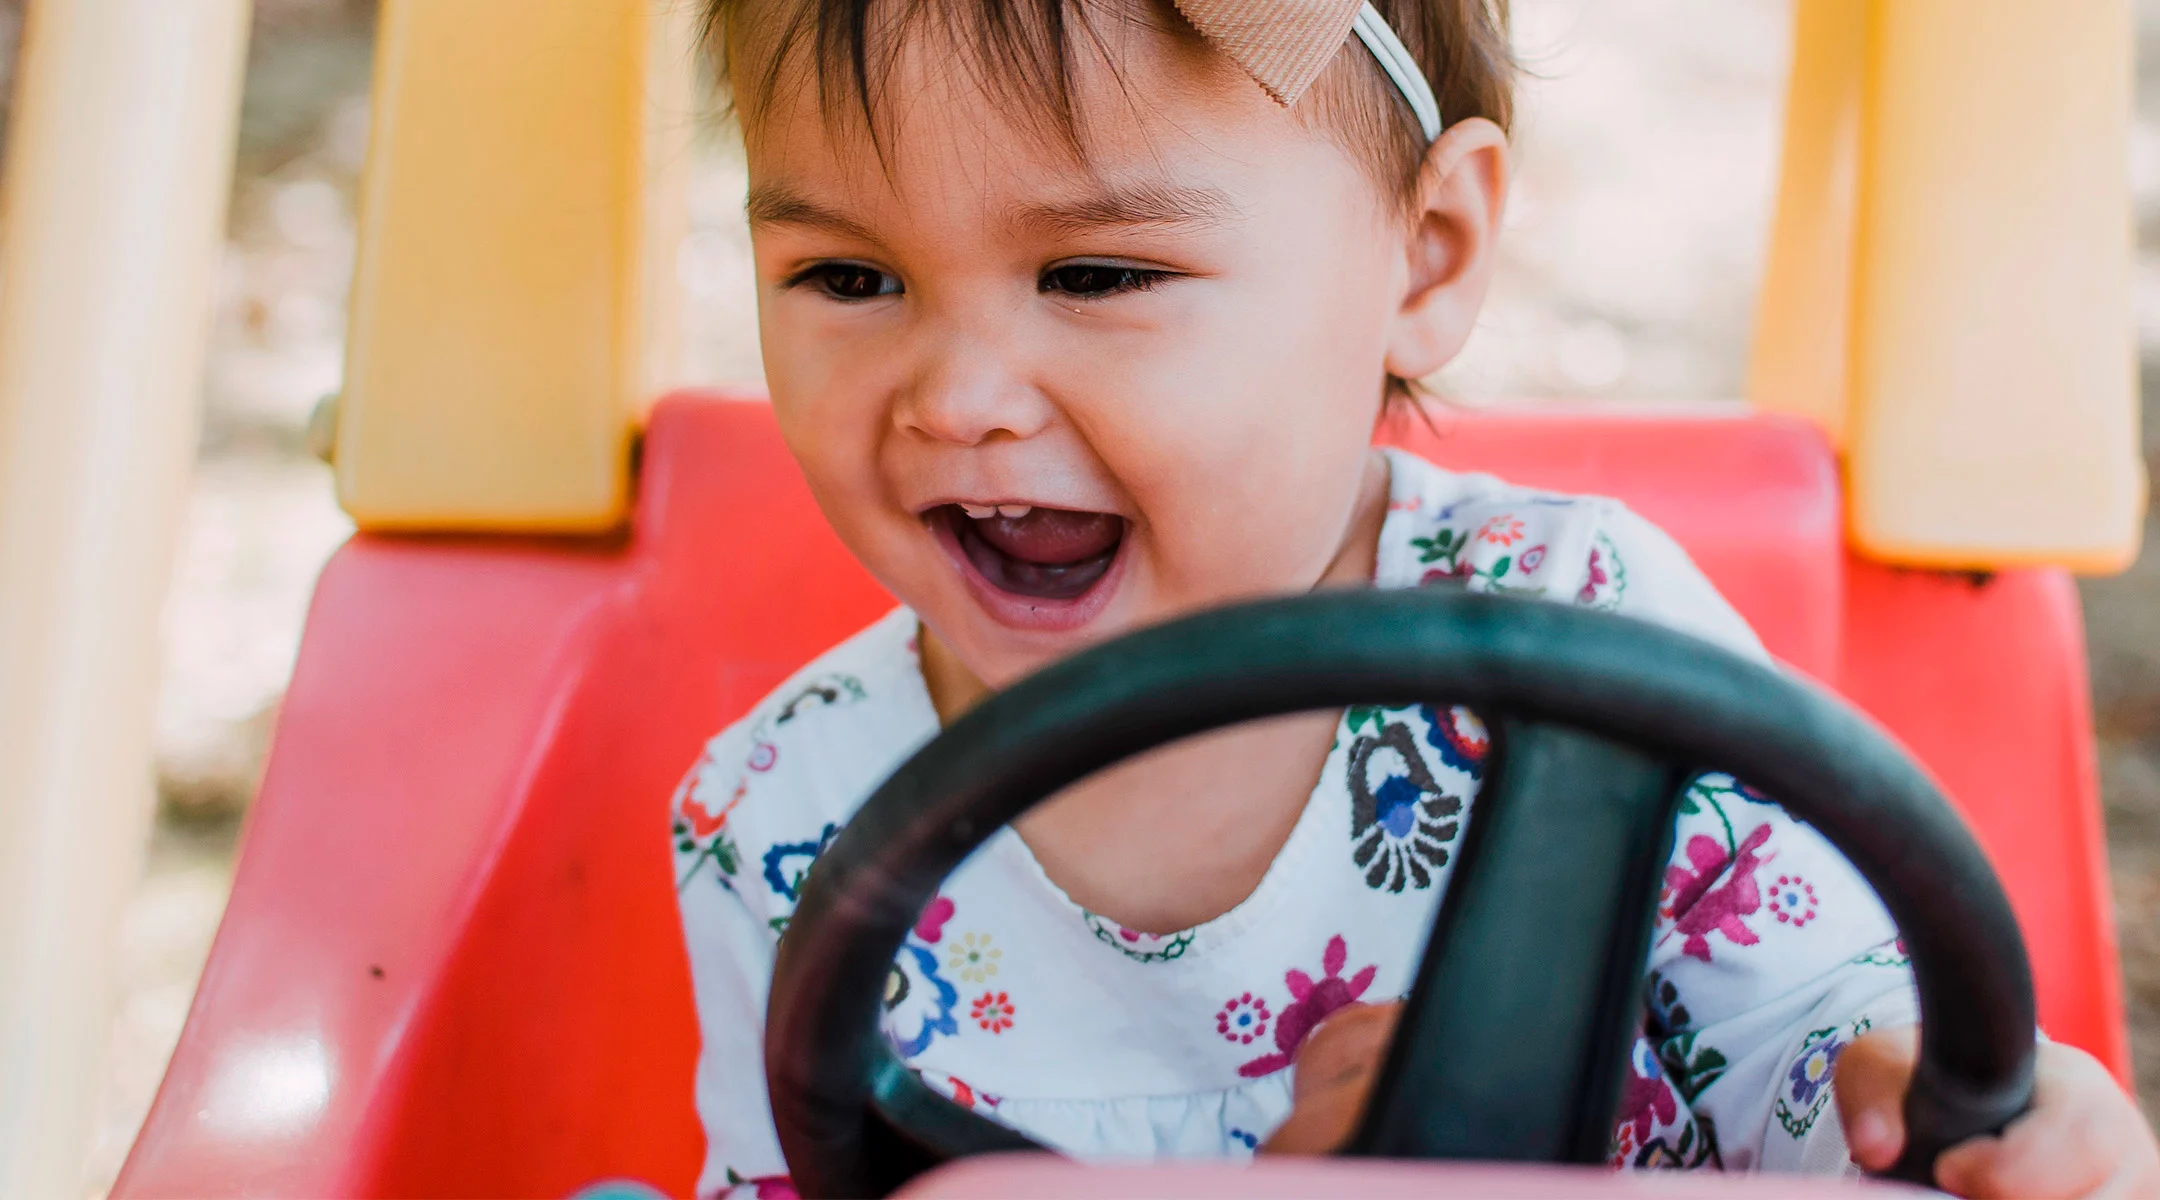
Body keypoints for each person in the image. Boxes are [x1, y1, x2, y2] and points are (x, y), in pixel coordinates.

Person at [668, 1, 2160, 1196]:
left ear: (1428, 255)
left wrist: (1917, 1099)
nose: (961, 398)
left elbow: (1804, 1044)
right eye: (849, 280)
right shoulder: (784, 822)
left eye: (1100, 273)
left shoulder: (1585, 640)